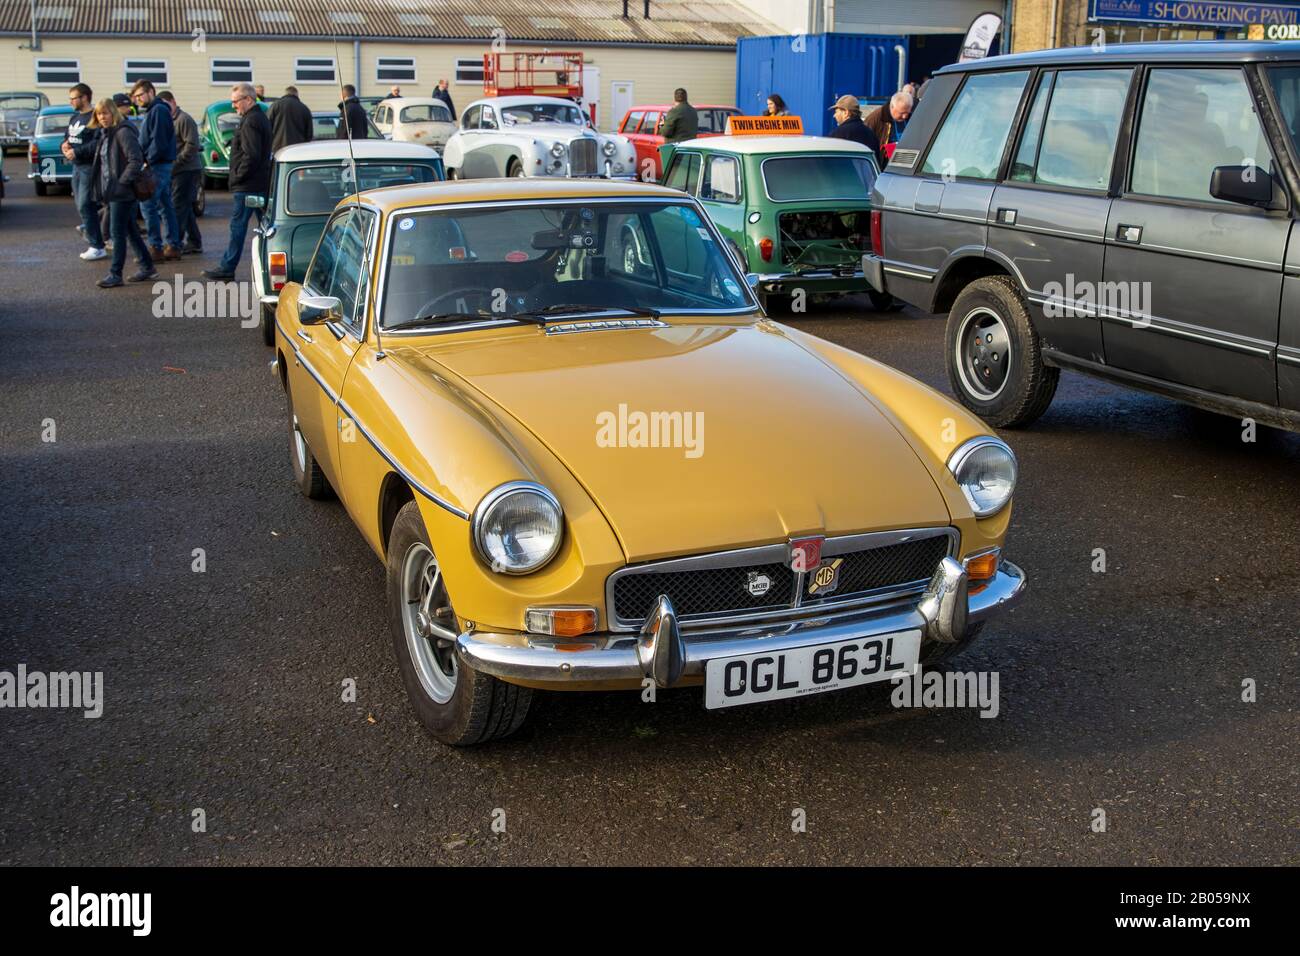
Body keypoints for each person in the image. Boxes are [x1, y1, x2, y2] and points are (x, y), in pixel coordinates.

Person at [203, 83, 271, 281]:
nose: (234, 106)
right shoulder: (258, 118)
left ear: (248, 99)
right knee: (266, 227)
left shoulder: (251, 121)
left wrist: (239, 176)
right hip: (256, 183)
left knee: (239, 227)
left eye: (236, 102)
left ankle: (227, 266)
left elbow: (252, 155)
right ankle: (265, 265)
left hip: (248, 186)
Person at [89, 99, 155, 288]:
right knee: (130, 231)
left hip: (122, 192)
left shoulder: (123, 132)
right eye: (99, 114)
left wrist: (121, 183)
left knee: (116, 232)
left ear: (114, 113)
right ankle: (147, 267)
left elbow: (136, 160)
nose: (102, 117)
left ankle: (115, 273)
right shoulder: (105, 134)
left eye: (106, 113)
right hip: (113, 191)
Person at [131, 79, 181, 261]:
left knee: (148, 206)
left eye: (140, 95)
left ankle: (156, 248)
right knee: (165, 206)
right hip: (160, 164)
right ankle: (173, 245)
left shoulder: (158, 111)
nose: (138, 100)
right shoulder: (156, 110)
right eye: (135, 97)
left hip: (157, 165)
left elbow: (158, 141)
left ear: (151, 92)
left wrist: (147, 162)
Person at [61, 83, 105, 261]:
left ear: (84, 97)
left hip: (89, 167)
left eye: (74, 98)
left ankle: (97, 245)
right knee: (83, 206)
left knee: (85, 204)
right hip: (76, 167)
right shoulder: (74, 118)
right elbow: (68, 137)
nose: (71, 101)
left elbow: (97, 143)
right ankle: (95, 235)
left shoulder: (94, 117)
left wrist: (77, 152)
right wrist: (64, 146)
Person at [160, 91, 202, 254]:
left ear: (173, 102)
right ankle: (195, 241)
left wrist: (175, 163)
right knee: (185, 207)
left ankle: (175, 243)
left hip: (187, 169)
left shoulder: (184, 119)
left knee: (178, 206)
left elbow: (192, 145)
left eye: (166, 103)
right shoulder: (169, 120)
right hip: (177, 169)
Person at [828, 94, 881, 162]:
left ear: (846, 113)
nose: (834, 116)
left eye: (836, 112)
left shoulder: (838, 133)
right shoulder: (871, 134)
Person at [865, 91, 914, 160]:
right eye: (901, 113)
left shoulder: (912, 118)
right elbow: (866, 143)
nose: (904, 116)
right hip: (884, 163)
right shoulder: (876, 118)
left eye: (907, 113)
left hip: (907, 159)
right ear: (892, 107)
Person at [268, 85, 313, 152]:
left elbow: (267, 126)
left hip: (278, 148)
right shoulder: (304, 108)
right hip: (298, 148)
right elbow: (309, 134)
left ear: (285, 93)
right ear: (297, 95)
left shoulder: (275, 105)